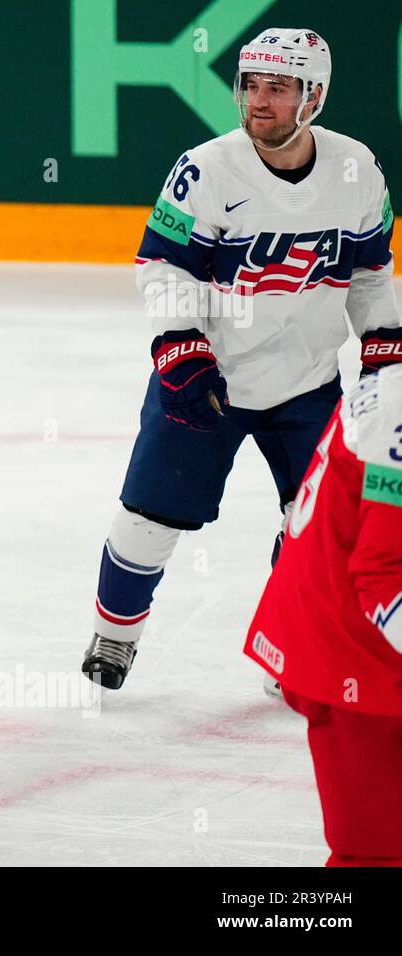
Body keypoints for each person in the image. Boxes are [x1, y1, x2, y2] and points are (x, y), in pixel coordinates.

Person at [83, 28, 401, 690]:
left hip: (308, 383)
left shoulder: (357, 170)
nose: (258, 102)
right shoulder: (205, 167)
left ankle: (293, 648)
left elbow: (371, 271)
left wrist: (384, 345)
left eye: (278, 89)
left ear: (314, 96)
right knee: (149, 517)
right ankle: (114, 638)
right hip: (211, 379)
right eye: (249, 85)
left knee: (318, 530)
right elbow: (164, 263)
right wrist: (179, 345)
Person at [245, 367, 402, 865]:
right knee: (378, 852)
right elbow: (383, 577)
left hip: (361, 638)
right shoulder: (396, 420)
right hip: (343, 652)